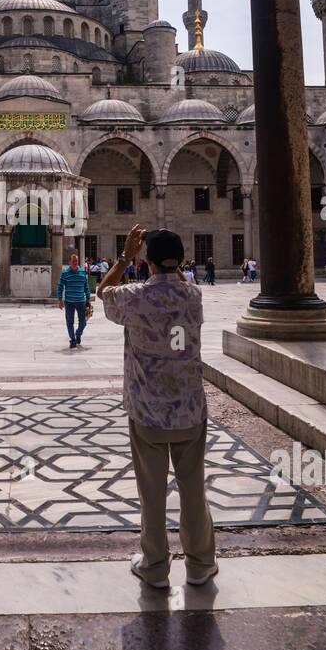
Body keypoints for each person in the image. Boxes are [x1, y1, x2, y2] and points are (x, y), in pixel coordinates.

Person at [98, 224, 216, 590]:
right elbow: (175, 278)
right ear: (179, 261)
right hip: (190, 411)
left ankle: (154, 567)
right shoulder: (193, 295)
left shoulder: (134, 296)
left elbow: (101, 291)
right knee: (193, 490)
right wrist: (166, 262)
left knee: (152, 493)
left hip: (148, 412)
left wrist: (124, 256)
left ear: (145, 260)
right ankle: (199, 566)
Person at [57, 248, 91, 348]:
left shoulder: (82, 272)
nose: (75, 263)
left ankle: (78, 334)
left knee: (83, 322)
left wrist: (88, 298)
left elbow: (86, 286)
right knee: (70, 322)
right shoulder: (65, 273)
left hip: (81, 301)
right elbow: (60, 286)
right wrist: (60, 300)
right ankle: (72, 340)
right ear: (69, 262)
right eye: (73, 261)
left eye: (76, 261)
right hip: (69, 301)